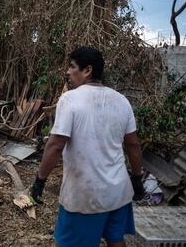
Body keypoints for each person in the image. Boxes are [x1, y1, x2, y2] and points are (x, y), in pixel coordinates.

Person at [30, 46, 145, 247]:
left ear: (87, 70)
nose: (67, 71)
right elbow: (133, 145)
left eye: (72, 66)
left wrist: (40, 181)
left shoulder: (70, 99)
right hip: (118, 192)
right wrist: (137, 179)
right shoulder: (122, 101)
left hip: (85, 197)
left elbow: (55, 145)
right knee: (116, 240)